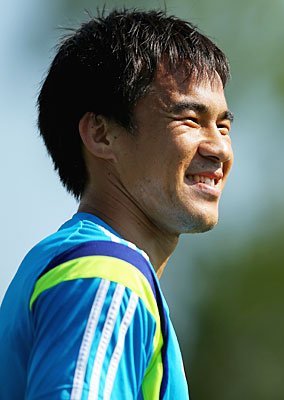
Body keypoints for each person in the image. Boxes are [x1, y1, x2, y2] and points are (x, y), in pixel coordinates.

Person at [0, 9, 233, 399]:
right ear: (101, 134)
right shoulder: (107, 276)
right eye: (190, 120)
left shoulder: (64, 263)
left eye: (223, 126)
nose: (220, 148)